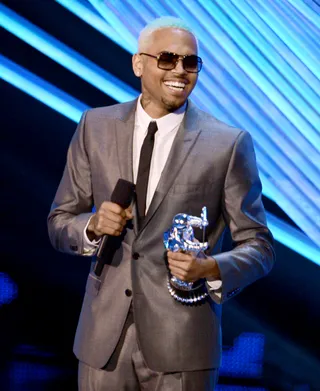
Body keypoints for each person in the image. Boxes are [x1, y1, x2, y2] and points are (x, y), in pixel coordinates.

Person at [48, 16, 275, 391]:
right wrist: (90, 227)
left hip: (183, 343)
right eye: (167, 59)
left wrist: (210, 268)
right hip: (104, 340)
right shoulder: (95, 126)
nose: (180, 71)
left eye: (190, 63)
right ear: (139, 63)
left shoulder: (227, 144)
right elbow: (59, 221)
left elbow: (260, 246)